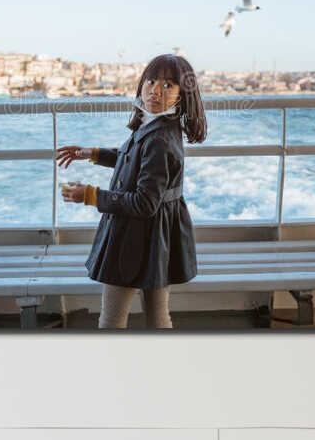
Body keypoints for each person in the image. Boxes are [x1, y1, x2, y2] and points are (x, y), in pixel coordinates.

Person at [54, 53, 208, 329]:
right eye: (151, 81)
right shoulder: (159, 125)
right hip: (160, 236)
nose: (155, 90)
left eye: (168, 85)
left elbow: (144, 203)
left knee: (112, 318)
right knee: (158, 315)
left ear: (183, 94)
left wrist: (89, 195)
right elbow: (134, 161)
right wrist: (92, 153)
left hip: (134, 238)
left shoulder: (159, 139)